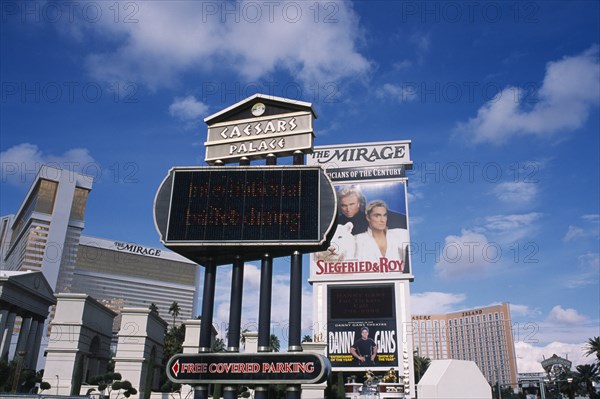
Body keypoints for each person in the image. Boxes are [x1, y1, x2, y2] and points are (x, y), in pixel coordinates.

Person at [355, 200, 409, 265]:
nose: (382, 220)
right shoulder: (357, 240)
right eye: (377, 216)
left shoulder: (400, 234)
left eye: (384, 215)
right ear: (368, 218)